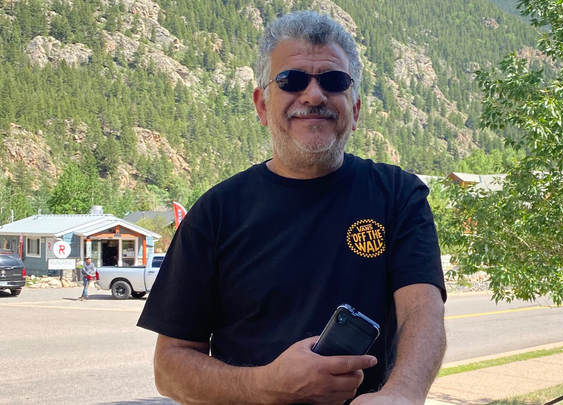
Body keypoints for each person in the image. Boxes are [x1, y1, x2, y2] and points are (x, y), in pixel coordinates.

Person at [137, 10, 446, 405]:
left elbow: (422, 310)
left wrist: (402, 394)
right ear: (262, 106)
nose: (314, 95)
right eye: (291, 80)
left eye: (334, 81)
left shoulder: (399, 195)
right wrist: (265, 384)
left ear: (355, 109)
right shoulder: (215, 213)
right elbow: (169, 367)